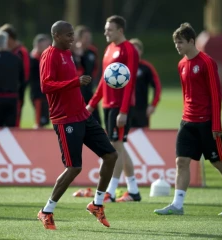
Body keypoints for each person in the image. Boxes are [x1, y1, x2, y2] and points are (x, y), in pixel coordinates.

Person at [154, 23, 222, 215]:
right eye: (175, 43)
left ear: (191, 41)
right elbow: (186, 94)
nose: (177, 46)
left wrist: (216, 126)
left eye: (180, 42)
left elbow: (215, 95)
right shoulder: (181, 65)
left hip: (206, 123)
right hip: (187, 122)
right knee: (181, 162)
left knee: (219, 162)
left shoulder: (206, 62)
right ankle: (177, 205)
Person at [37, 20, 118, 230]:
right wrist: (75, 82)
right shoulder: (50, 55)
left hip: (82, 115)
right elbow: (46, 86)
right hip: (65, 119)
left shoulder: (67, 53)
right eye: (68, 35)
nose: (72, 38)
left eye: (73, 34)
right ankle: (46, 210)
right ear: (56, 36)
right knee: (73, 168)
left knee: (111, 155)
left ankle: (97, 204)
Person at [87, 15, 141, 203]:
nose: (106, 33)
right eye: (105, 29)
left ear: (120, 30)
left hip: (120, 107)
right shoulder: (109, 49)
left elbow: (130, 82)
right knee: (119, 147)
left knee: (115, 148)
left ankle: (110, 190)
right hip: (107, 105)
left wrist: (124, 111)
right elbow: (104, 79)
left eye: (109, 29)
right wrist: (93, 103)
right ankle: (133, 190)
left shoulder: (129, 50)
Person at [0, 24, 30, 127]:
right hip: (1, 95)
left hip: (15, 96)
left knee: (13, 127)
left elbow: (25, 75)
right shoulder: (4, 52)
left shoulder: (21, 52)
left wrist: (19, 94)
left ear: (10, 38)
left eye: (3, 38)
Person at [72, 25, 102, 125]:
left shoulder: (92, 51)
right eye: (86, 37)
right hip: (76, 91)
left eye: (90, 37)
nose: (89, 40)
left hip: (89, 89)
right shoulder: (72, 53)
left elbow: (96, 67)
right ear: (79, 38)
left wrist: (92, 79)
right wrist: (78, 56)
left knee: (96, 119)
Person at [129, 38, 161, 128]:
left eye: (136, 50)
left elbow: (157, 87)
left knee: (143, 138)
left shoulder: (146, 68)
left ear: (141, 51)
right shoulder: (122, 69)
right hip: (125, 110)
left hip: (142, 110)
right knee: (124, 138)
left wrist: (153, 105)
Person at [29, 34, 51, 129]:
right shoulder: (32, 59)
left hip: (46, 94)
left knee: (45, 121)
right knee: (38, 122)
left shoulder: (46, 58)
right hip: (38, 94)